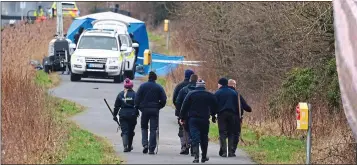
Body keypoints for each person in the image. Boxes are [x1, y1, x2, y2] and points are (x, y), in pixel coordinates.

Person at [180, 79, 218, 163]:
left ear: (196, 86)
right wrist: (213, 115)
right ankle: (204, 156)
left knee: (194, 137)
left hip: (193, 119)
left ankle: (196, 157)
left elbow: (184, 106)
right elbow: (215, 105)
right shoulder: (209, 95)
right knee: (204, 137)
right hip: (204, 119)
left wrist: (182, 117)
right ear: (204, 86)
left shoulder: (191, 94)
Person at [135, 71, 167, 154]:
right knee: (153, 129)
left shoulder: (142, 86)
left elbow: (137, 98)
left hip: (144, 110)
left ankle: (145, 144)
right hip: (154, 110)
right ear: (155, 78)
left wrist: (139, 107)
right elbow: (164, 99)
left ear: (148, 77)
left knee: (144, 127)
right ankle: (151, 148)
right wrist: (159, 106)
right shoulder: (159, 87)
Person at [214, 77, 240, 157]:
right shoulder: (234, 93)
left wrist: (213, 115)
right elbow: (237, 105)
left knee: (222, 133)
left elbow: (214, 105)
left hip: (222, 115)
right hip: (232, 114)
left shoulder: (218, 93)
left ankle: (224, 152)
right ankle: (231, 152)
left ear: (220, 84)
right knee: (231, 133)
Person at [113, 78, 139, 152]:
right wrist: (137, 112)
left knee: (124, 131)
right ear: (132, 86)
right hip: (133, 115)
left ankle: (125, 146)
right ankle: (129, 146)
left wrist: (114, 115)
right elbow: (138, 105)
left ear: (124, 86)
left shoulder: (120, 94)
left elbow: (116, 106)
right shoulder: (135, 94)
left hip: (123, 115)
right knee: (131, 131)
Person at [175, 74, 198, 155]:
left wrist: (180, 112)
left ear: (190, 80)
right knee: (194, 130)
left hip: (184, 113)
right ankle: (193, 147)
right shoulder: (199, 90)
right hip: (196, 114)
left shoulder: (183, 89)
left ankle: (184, 146)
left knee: (183, 129)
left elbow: (177, 101)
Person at [227, 79, 252, 155]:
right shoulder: (237, 94)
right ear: (234, 85)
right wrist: (249, 109)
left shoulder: (223, 93)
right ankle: (232, 150)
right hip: (236, 117)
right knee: (236, 133)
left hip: (225, 117)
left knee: (228, 133)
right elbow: (245, 106)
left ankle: (226, 149)